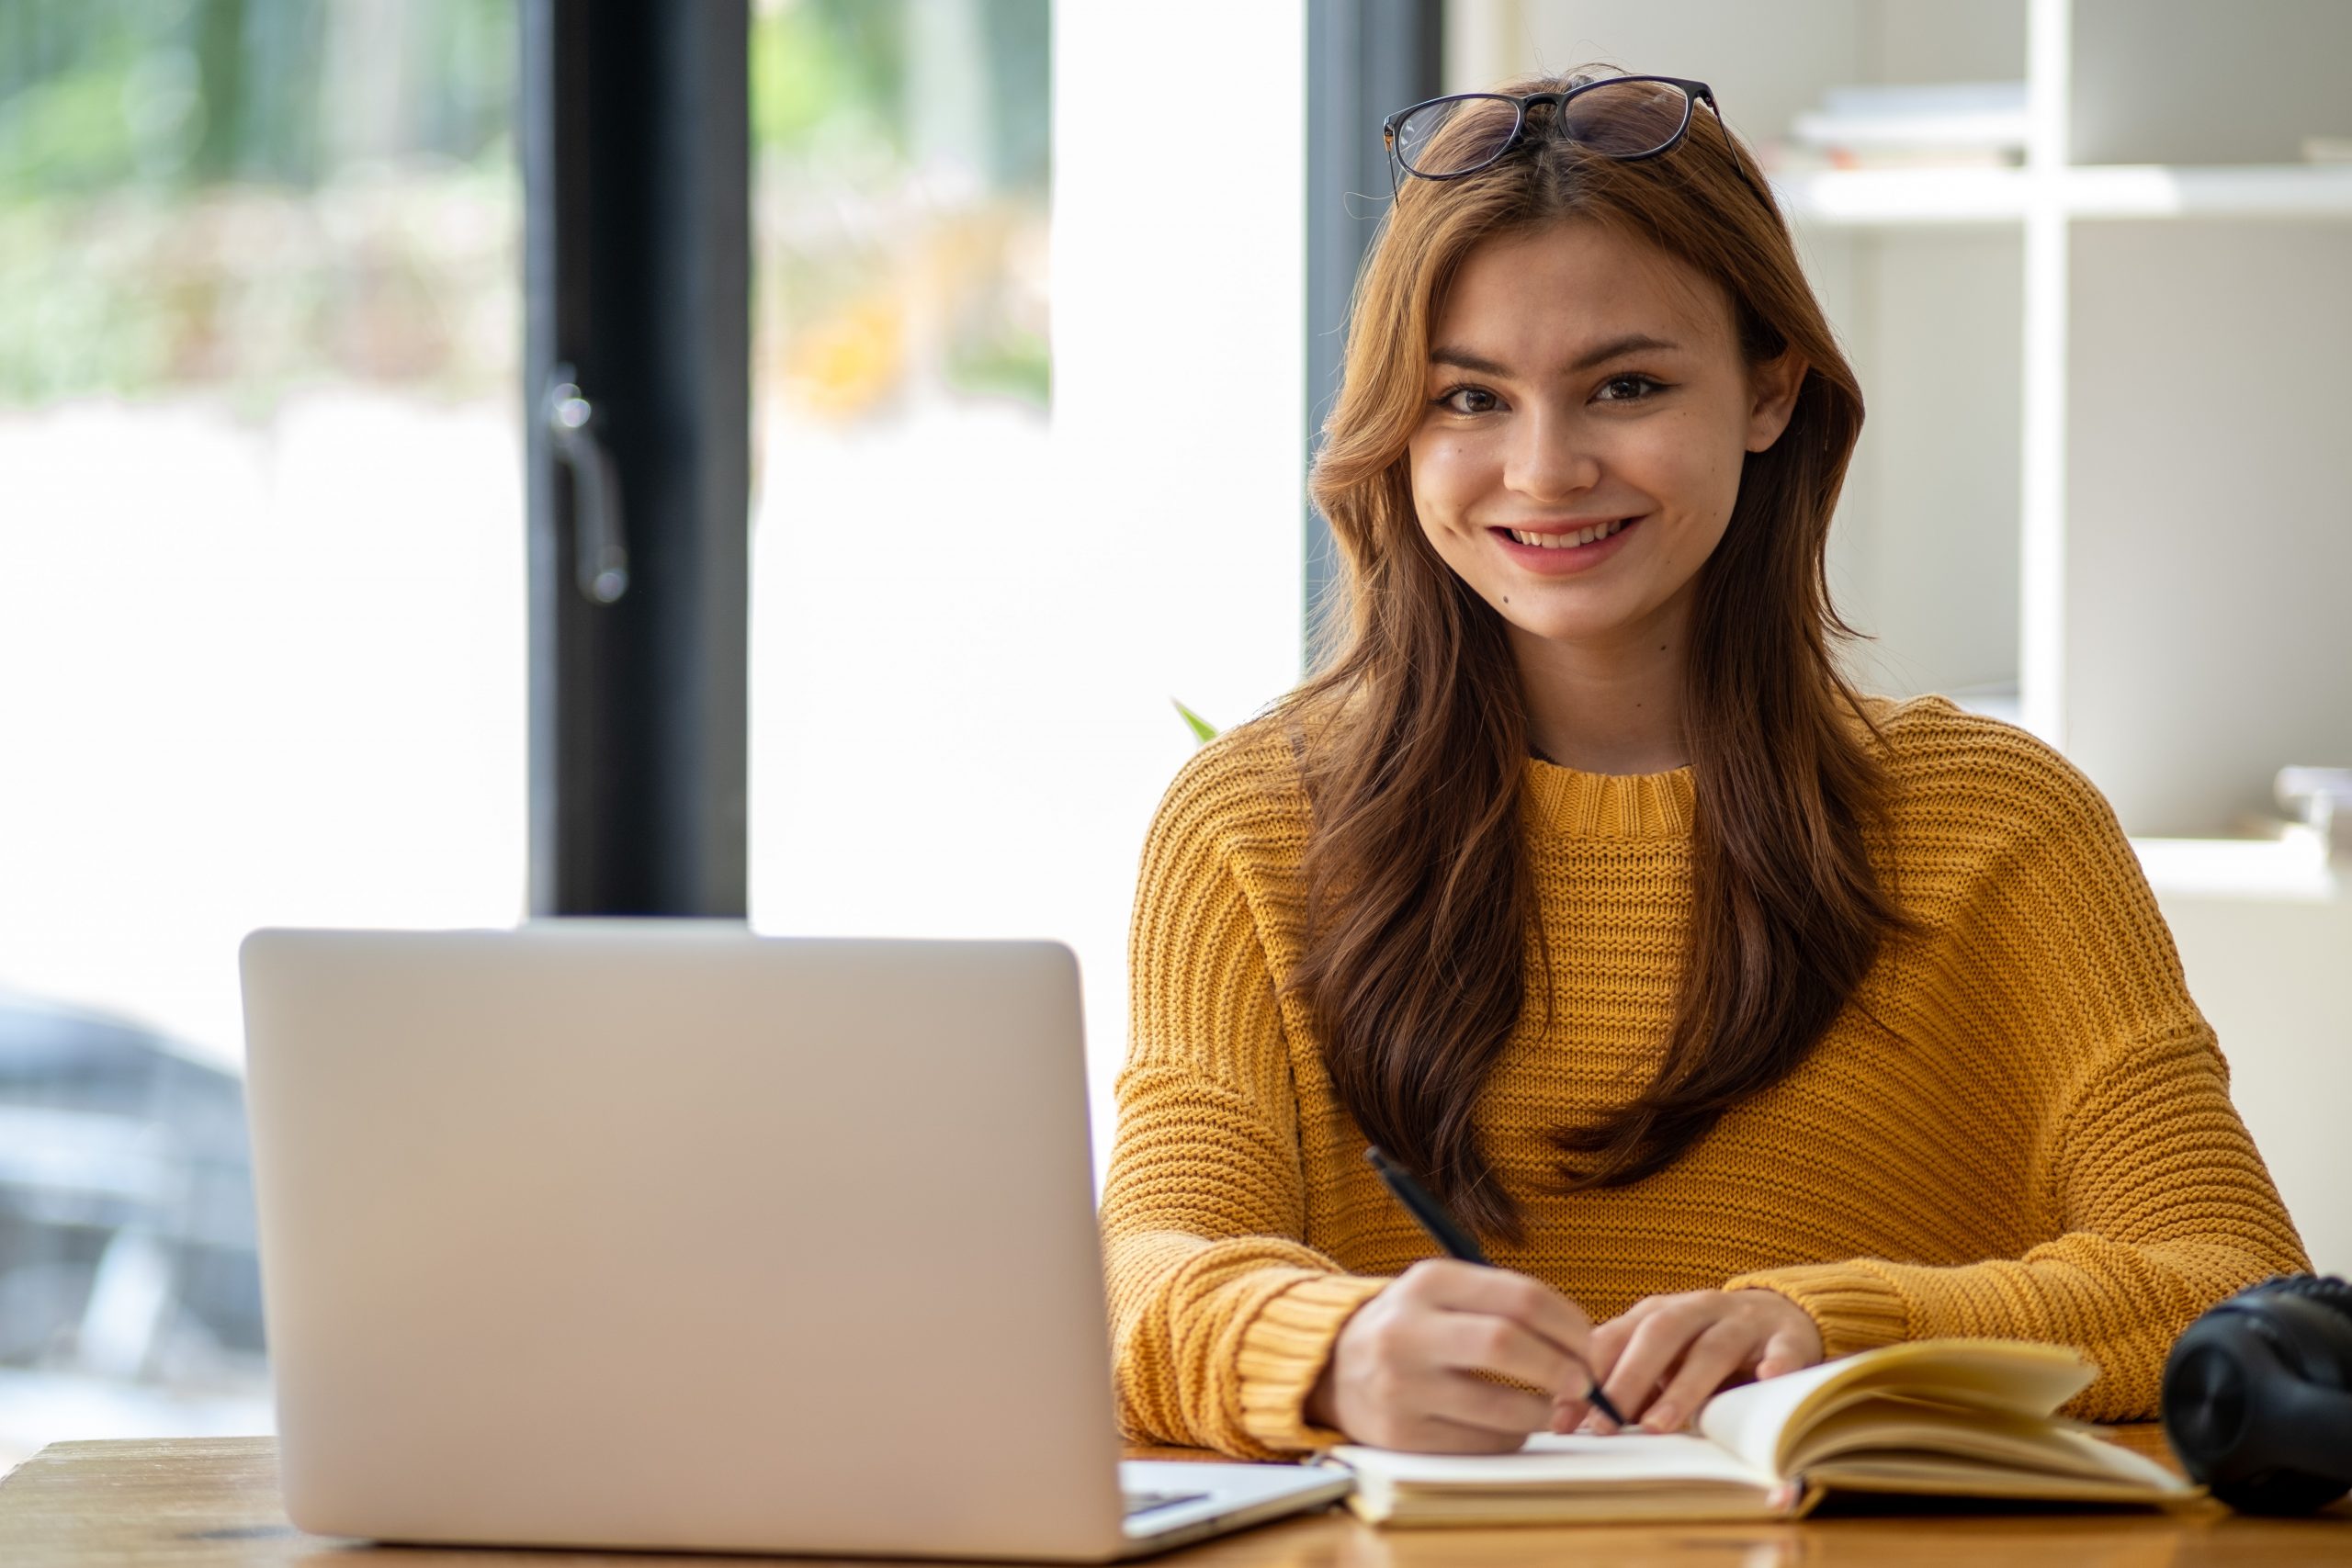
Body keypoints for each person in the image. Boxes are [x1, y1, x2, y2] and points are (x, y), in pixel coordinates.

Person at [1099, 67, 2309, 1459]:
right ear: (1396, 432)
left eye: (1625, 386)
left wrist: (1827, 1332)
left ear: (1770, 393)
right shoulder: (1253, 824)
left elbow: (2238, 1281)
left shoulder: (1999, 824)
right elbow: (1141, 1273)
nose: (1545, 470)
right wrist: (1331, 1354)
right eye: (1469, 400)